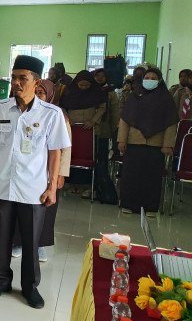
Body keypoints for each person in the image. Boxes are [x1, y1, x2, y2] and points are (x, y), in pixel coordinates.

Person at [0, 55, 71, 309]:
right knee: (1, 237)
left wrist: (52, 187)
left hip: (33, 189)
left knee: (31, 241)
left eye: (23, 78)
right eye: (14, 77)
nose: (16, 83)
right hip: (2, 185)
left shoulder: (51, 114)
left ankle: (30, 288)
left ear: (37, 82)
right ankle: (0, 281)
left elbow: (55, 152)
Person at [11, 79, 72, 262]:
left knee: (44, 209)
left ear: (50, 95)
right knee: (20, 208)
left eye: (41, 93)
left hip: (48, 173)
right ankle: (18, 242)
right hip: (26, 170)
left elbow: (65, 148)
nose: (37, 96)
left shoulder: (58, 115)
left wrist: (61, 174)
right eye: (35, 92)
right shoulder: (20, 112)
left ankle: (39, 245)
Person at [118, 67, 178, 215]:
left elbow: (171, 123)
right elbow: (125, 119)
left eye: (153, 79)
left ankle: (150, 207)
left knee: (152, 177)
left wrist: (168, 144)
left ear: (160, 81)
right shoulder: (134, 96)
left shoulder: (166, 98)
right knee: (131, 175)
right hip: (134, 141)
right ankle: (129, 204)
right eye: (147, 78)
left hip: (156, 144)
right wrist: (121, 140)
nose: (149, 81)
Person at [59, 70, 107, 198]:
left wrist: (93, 121)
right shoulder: (69, 91)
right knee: (71, 154)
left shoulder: (97, 92)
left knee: (87, 155)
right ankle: (70, 184)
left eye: (87, 85)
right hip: (71, 128)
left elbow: (102, 108)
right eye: (81, 85)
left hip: (89, 128)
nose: (84, 87)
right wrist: (68, 119)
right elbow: (62, 107)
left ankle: (86, 186)